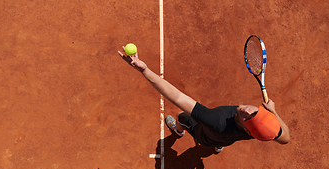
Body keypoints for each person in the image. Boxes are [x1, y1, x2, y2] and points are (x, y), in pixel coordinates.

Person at [118, 47, 290, 152]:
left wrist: (145, 70)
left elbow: (177, 96)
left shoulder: (216, 120)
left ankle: (178, 130)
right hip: (228, 139)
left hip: (206, 135)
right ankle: (218, 146)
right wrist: (273, 112)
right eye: (256, 112)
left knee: (181, 115)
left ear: (247, 130)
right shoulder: (263, 132)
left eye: (248, 117)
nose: (247, 110)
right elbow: (285, 138)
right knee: (222, 141)